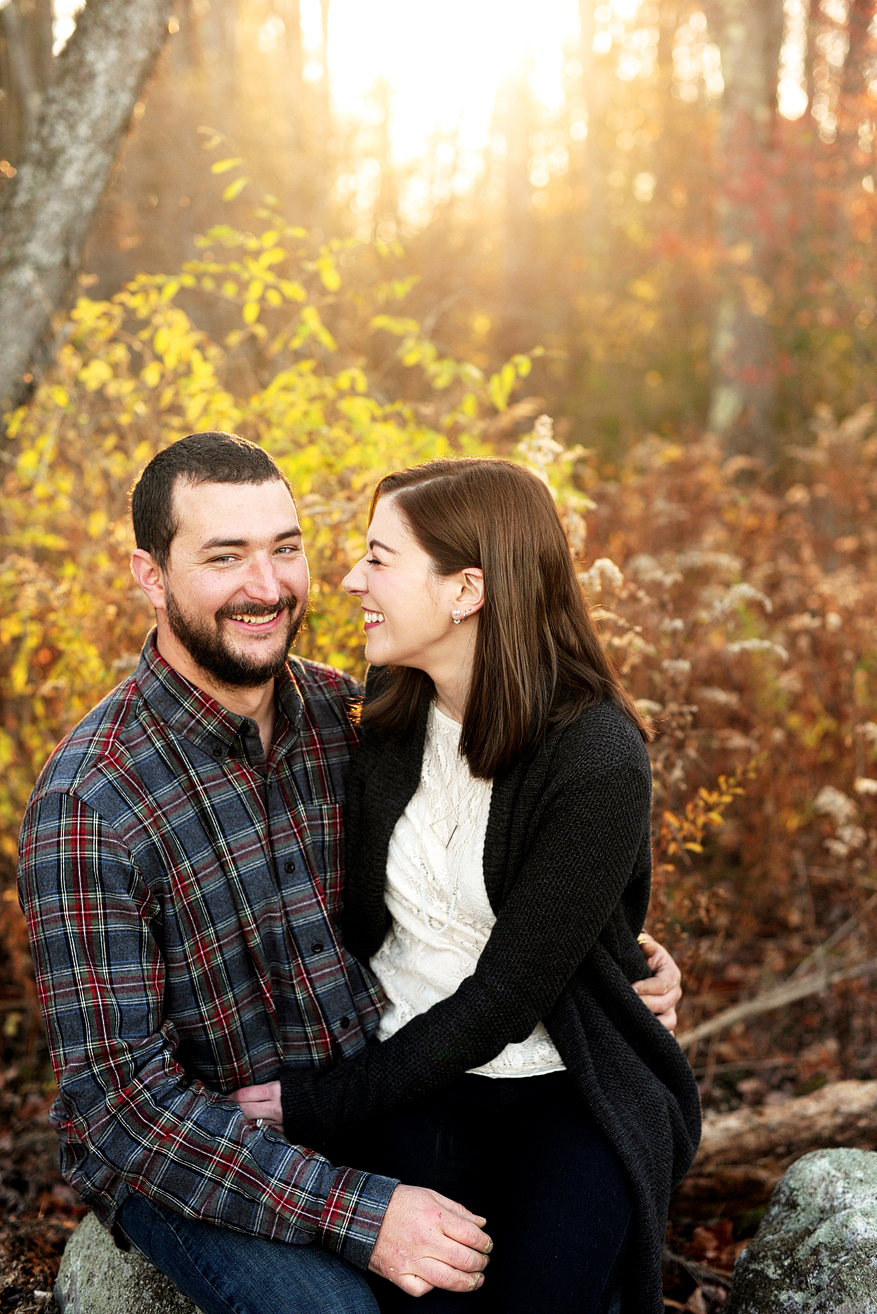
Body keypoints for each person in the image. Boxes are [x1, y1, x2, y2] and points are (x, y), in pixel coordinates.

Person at [17, 433, 685, 1314]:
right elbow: (122, 1107)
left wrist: (616, 959)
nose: (268, 585)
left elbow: (493, 883)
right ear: (150, 574)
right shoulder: (89, 805)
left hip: (384, 1102)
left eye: (285, 549)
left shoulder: (352, 716)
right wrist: (361, 1213)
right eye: (225, 557)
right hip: (206, 1149)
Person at [233, 458, 702, 1314]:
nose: (351, 579)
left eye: (380, 558)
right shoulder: (392, 704)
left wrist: (318, 1104)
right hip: (413, 1079)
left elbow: (505, 997)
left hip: (567, 1085)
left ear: (466, 589)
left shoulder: (598, 758)